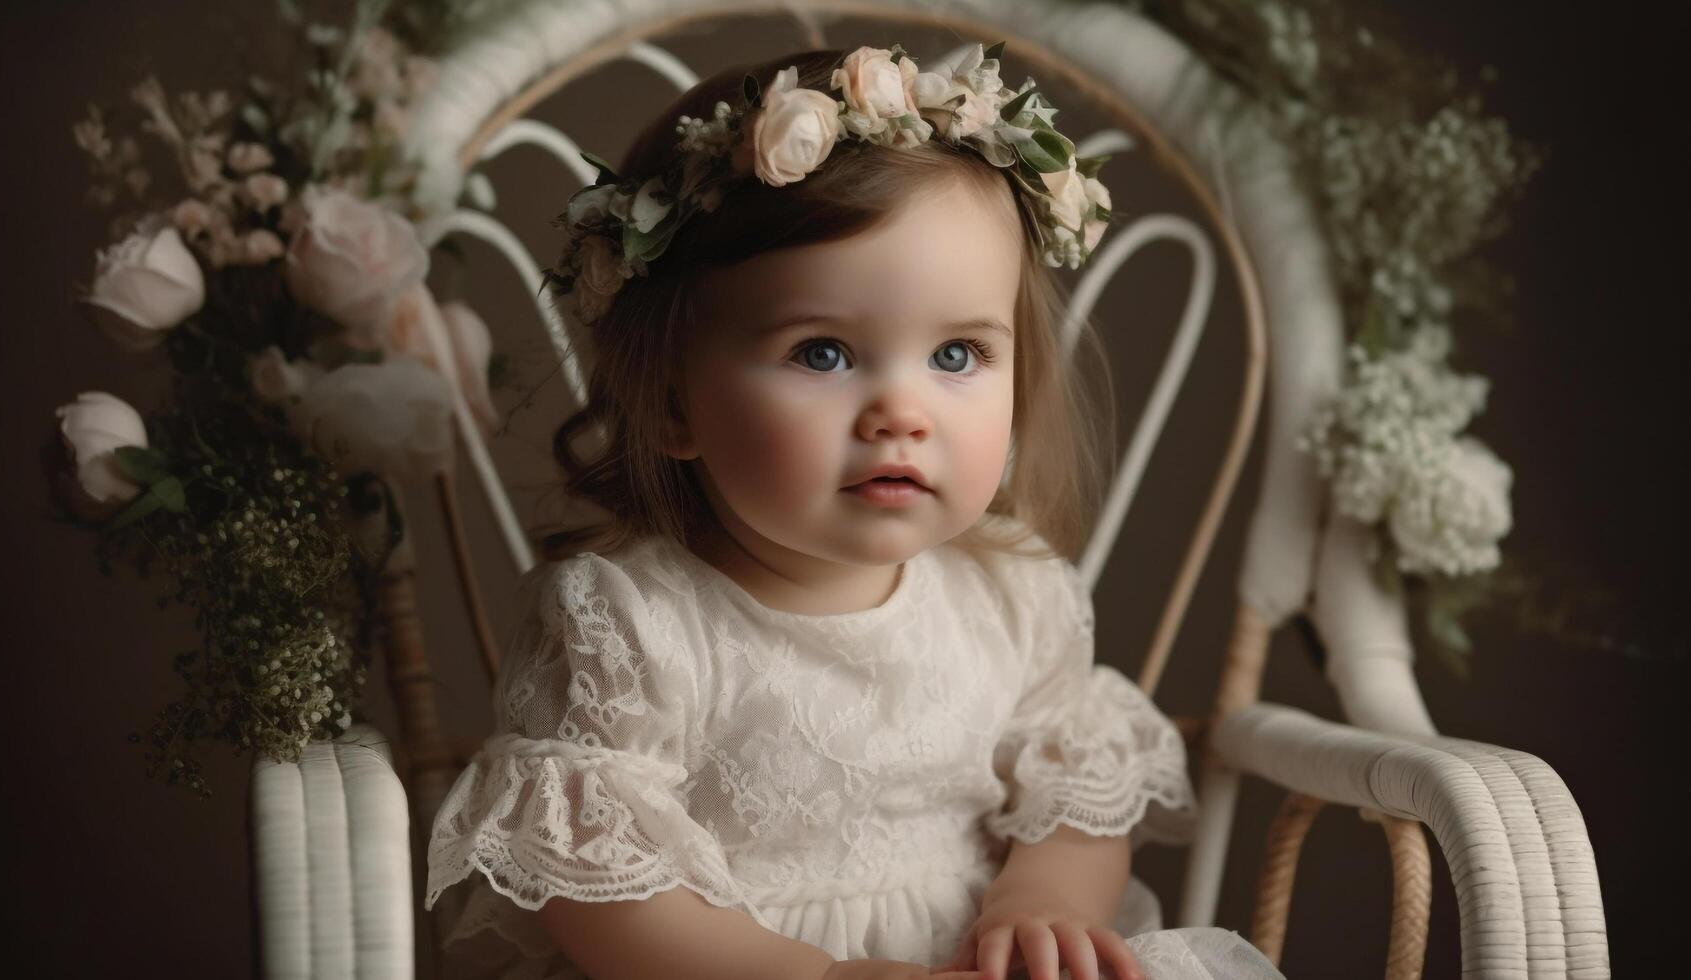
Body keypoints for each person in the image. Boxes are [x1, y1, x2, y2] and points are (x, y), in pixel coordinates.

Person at [424, 41, 1287, 980]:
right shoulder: (631, 624)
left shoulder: (1010, 594)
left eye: (956, 356)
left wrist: (1041, 900)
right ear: (673, 402)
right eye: (823, 354)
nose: (901, 415)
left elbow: (1077, 793)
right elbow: (601, 891)